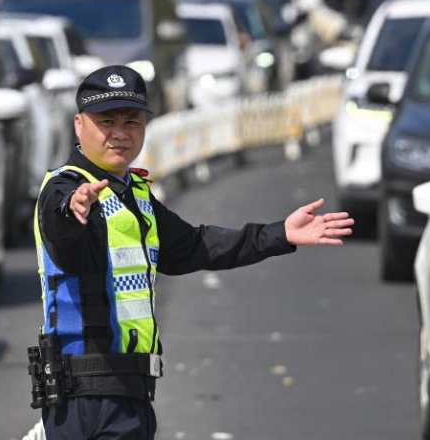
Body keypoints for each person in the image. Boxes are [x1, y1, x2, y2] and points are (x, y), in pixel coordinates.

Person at [31, 65, 354, 440]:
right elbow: (62, 233)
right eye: (107, 121)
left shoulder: (135, 196)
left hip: (127, 391)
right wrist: (72, 210)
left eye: (132, 121)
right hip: (87, 395)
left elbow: (196, 246)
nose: (120, 132)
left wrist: (279, 233)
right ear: (78, 124)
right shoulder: (65, 189)